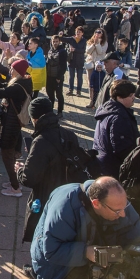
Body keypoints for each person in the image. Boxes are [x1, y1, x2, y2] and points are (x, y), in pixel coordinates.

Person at [15, 96, 81, 243]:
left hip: (47, 196)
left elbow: (29, 178)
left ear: (35, 119)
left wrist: (20, 169)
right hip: (70, 193)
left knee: (44, 236)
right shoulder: (69, 134)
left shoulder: (41, 141)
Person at [0, 59, 33, 198]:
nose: (10, 71)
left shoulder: (17, 87)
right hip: (13, 122)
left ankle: (15, 188)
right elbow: (2, 87)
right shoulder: (23, 81)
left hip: (11, 124)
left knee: (7, 156)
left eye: (12, 68)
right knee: (10, 155)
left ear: (18, 71)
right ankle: (14, 181)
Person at [94, 80, 140, 179]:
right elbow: (122, 148)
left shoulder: (106, 108)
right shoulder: (119, 118)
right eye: (130, 95)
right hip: (112, 168)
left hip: (102, 163)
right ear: (119, 97)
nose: (133, 98)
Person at [45, 34, 67, 115]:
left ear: (59, 42)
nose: (55, 43)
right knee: (50, 94)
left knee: (59, 95)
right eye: (53, 41)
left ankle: (60, 111)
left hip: (57, 77)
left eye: (56, 41)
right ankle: (50, 110)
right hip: (49, 76)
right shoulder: (50, 50)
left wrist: (59, 77)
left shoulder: (62, 52)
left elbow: (64, 66)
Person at [61, 27, 87, 96]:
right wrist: (60, 35)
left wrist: (75, 50)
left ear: (82, 33)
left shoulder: (84, 40)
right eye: (77, 31)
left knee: (79, 77)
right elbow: (62, 39)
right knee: (71, 76)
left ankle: (78, 91)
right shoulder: (71, 39)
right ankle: (71, 90)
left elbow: (83, 51)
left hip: (80, 61)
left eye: (79, 32)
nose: (78, 33)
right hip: (71, 60)